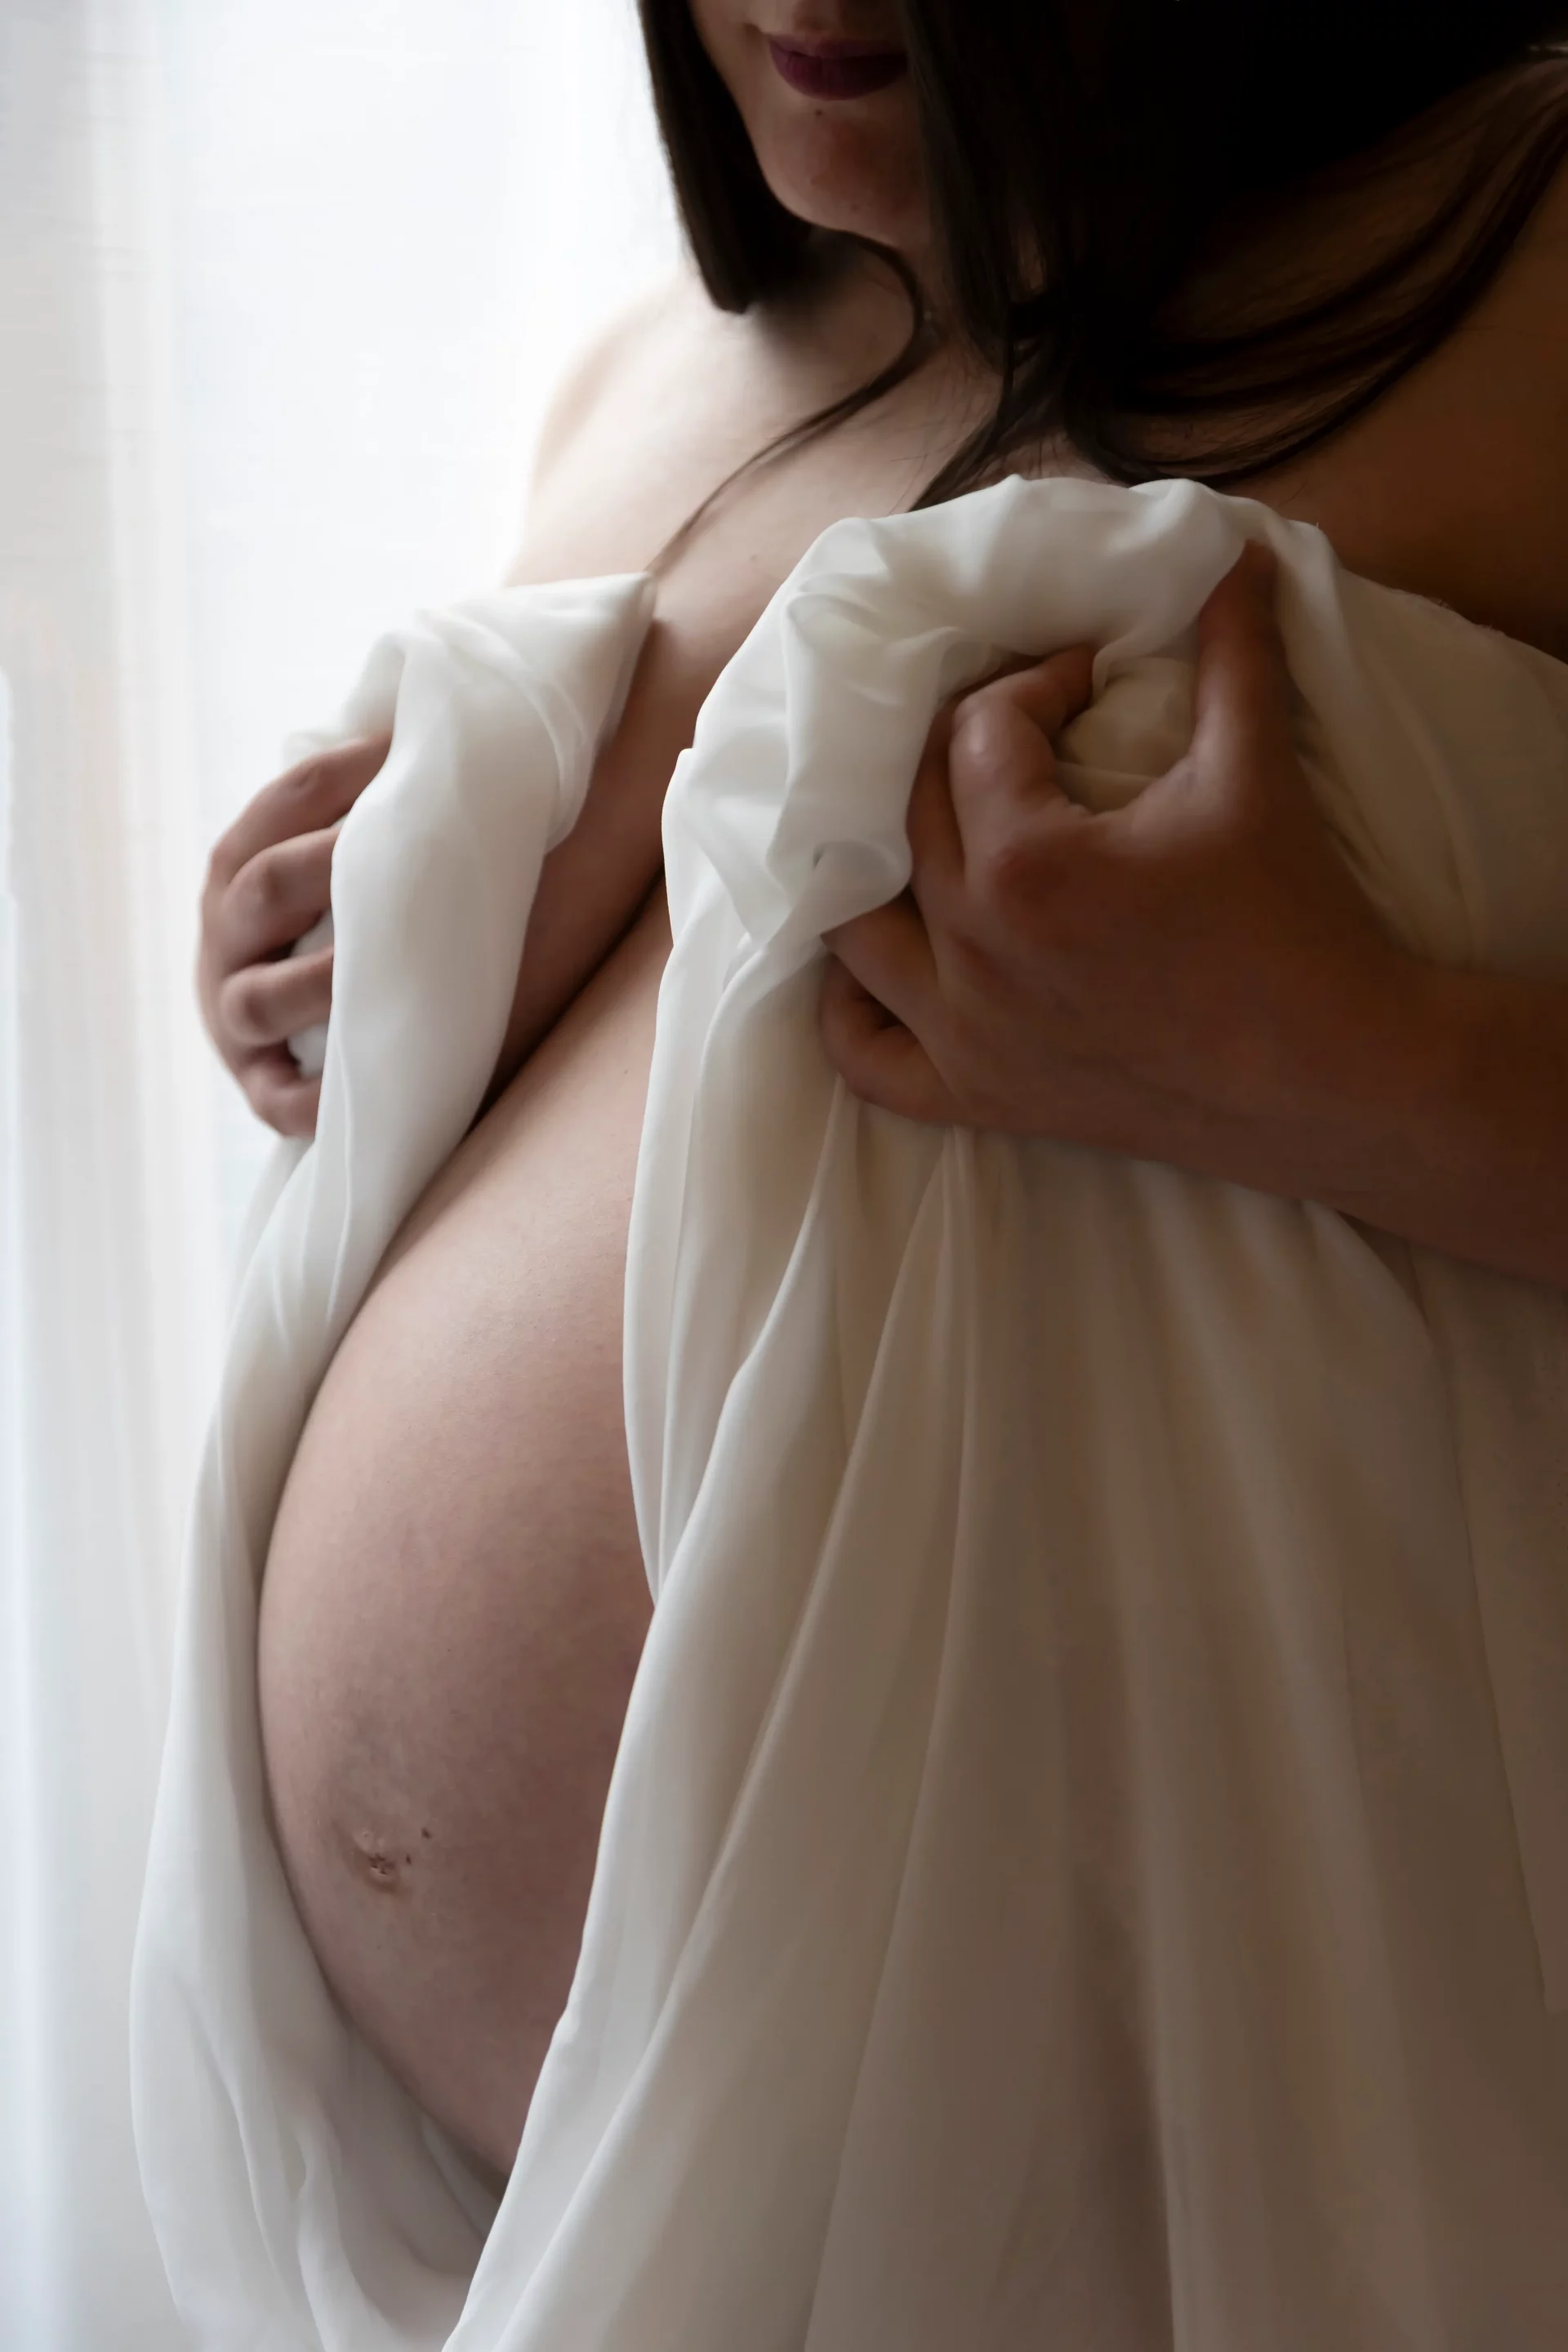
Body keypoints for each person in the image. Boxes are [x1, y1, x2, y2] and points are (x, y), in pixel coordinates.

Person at [198, 0, 1567, 2235]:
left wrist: (1346, 1057)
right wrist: (326, 972)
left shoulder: (1507, 253)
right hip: (546, 2217)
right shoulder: (662, 369)